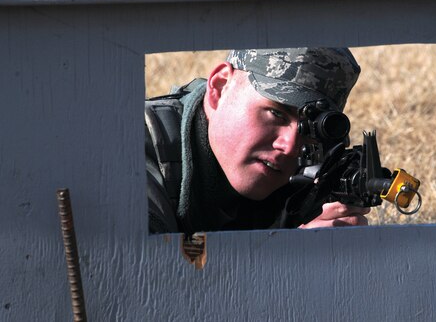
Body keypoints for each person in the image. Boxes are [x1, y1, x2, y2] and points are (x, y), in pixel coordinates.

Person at [145, 47, 370, 234]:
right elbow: (145, 281)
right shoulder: (129, 158)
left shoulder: (307, 180)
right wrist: (290, 260)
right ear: (220, 87)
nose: (290, 146)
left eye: (309, 128)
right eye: (276, 113)